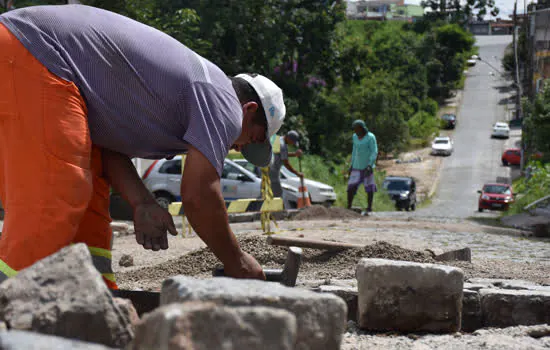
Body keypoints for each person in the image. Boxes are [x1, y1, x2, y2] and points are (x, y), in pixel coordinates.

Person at [0, 4, 286, 288]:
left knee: (88, 198)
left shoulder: (183, 103)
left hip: (27, 54)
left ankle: (93, 300)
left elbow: (108, 150)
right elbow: (199, 196)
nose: (241, 147)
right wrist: (238, 262)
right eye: (256, 137)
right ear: (248, 110)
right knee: (56, 194)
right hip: (36, 52)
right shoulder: (222, 100)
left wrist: (142, 202)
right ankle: (9, 310)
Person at [347, 120, 378, 214]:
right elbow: (354, 151)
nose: (356, 131)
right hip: (356, 166)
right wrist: (351, 165)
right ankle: (349, 206)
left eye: (357, 128)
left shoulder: (370, 137)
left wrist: (370, 165)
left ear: (362, 128)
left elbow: (374, 151)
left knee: (369, 187)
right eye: (354, 129)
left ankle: (369, 207)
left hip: (367, 167)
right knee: (351, 187)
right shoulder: (355, 137)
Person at [269, 131, 303, 206]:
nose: (292, 144)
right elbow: (286, 163)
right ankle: (277, 212)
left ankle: (269, 209)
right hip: (273, 172)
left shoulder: (278, 140)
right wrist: (297, 173)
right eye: (292, 142)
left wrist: (294, 154)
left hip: (268, 170)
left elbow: (281, 154)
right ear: (288, 138)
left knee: (269, 192)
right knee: (278, 193)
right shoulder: (283, 145)